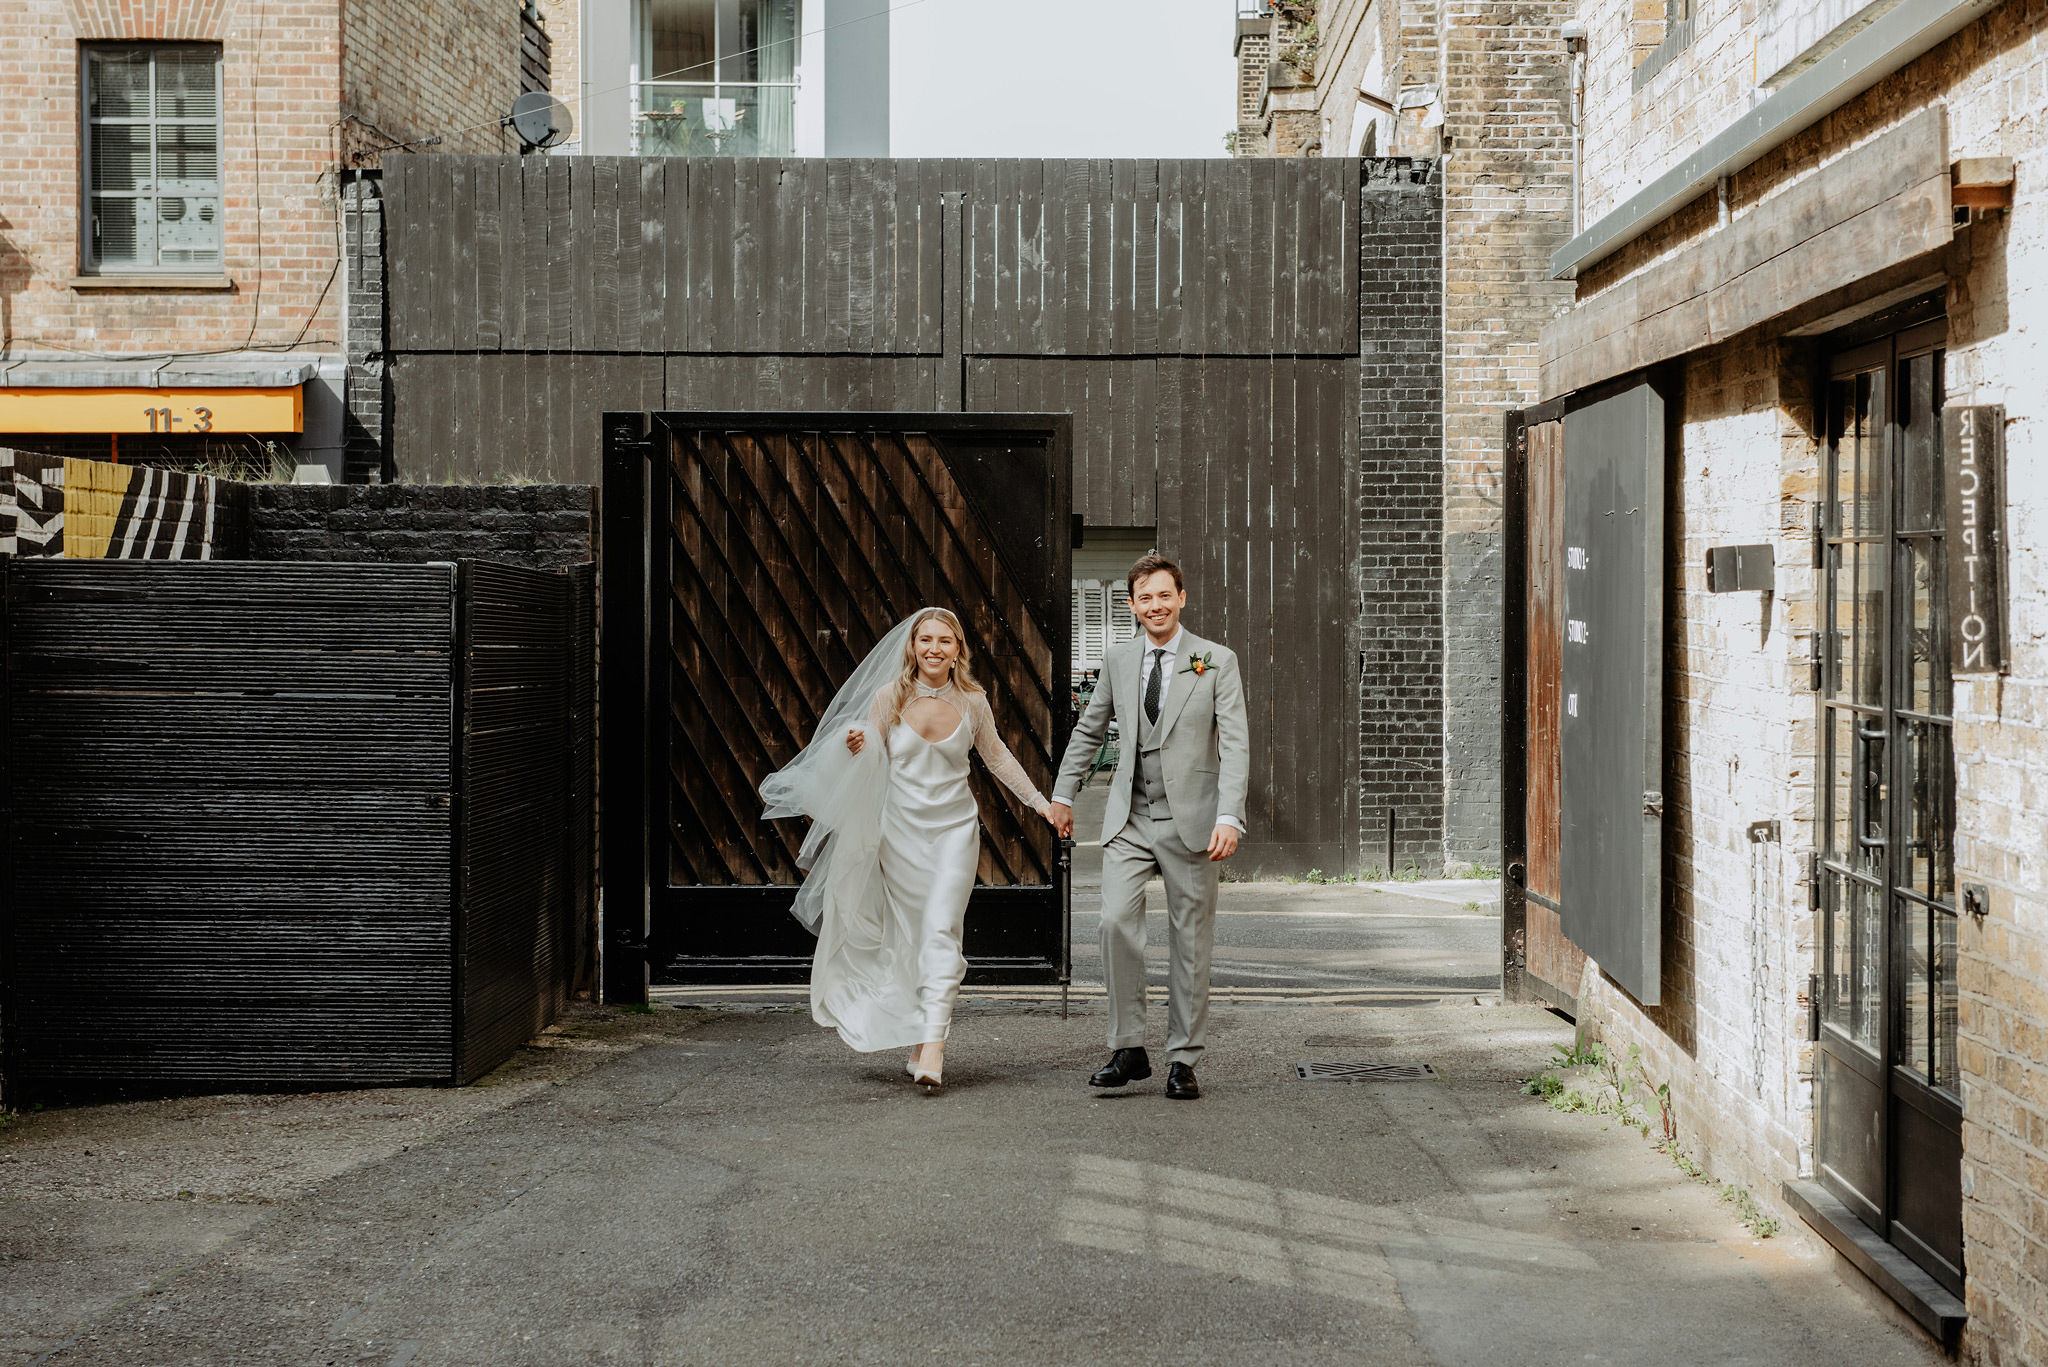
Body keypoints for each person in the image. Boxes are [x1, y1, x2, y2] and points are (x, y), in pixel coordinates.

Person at [760, 608, 1059, 1093]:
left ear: (958, 648)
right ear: (913, 647)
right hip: (898, 836)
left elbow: (998, 756)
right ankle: (920, 1038)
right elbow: (867, 749)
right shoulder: (889, 697)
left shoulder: (973, 701)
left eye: (945, 640)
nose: (934, 649)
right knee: (911, 939)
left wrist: (1041, 805)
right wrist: (855, 742)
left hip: (954, 834)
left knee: (942, 929)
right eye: (926, 640)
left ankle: (934, 1045)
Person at [1048, 553, 1249, 1101]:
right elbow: (1090, 730)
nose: (1155, 606)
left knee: (1190, 942)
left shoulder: (1216, 660)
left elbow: (1234, 744)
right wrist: (1064, 793)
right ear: (1133, 606)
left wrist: (1229, 815)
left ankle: (1183, 1060)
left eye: (1165, 595)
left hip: (1195, 822)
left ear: (1181, 598)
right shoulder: (1118, 659)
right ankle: (1128, 1048)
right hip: (1130, 818)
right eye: (1145, 598)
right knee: (1114, 923)